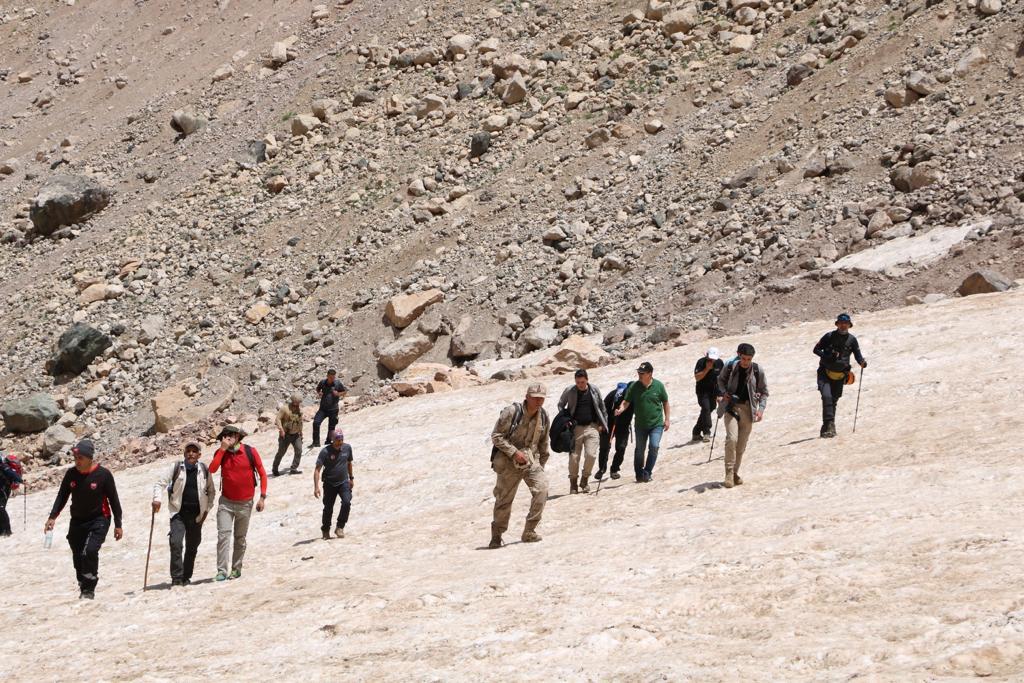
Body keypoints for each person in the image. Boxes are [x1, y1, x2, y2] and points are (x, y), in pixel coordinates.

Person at [44, 440, 123, 599]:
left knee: (90, 551)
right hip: (78, 521)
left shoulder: (104, 475)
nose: (77, 461)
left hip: (99, 519)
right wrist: (52, 517)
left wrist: (118, 524)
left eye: (80, 458)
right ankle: (82, 581)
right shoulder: (71, 474)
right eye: (75, 457)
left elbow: (114, 500)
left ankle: (89, 589)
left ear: (89, 457)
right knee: (78, 554)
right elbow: (62, 496)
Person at [489, 383, 550, 549]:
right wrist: (515, 453)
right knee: (504, 500)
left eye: (541, 399)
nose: (538, 402)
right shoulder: (512, 412)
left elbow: (544, 442)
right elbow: (497, 436)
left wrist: (540, 464)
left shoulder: (543, 416)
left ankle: (529, 530)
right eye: (535, 398)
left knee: (542, 490)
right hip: (508, 462)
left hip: (531, 461)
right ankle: (497, 535)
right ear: (527, 396)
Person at [152, 443, 216, 586]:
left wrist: (207, 510)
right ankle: (176, 578)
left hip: (197, 515)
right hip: (178, 513)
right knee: (175, 543)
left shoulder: (204, 470)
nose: (191, 454)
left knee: (192, 546)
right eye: (188, 451)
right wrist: (157, 499)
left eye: (194, 451)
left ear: (199, 455)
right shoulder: (176, 468)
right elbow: (160, 483)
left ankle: (186, 576)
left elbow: (211, 491)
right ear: (184, 453)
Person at [209, 425, 267, 581]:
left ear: (237, 436)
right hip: (226, 502)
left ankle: (236, 569)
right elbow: (212, 469)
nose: (227, 438)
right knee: (223, 536)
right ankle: (221, 571)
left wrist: (262, 497)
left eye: (230, 435)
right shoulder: (220, 453)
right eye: (225, 435)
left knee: (240, 538)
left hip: (245, 503)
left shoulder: (249, 451)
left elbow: (262, 473)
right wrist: (222, 450)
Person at [716, 343, 769, 489]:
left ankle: (734, 473)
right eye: (744, 358)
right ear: (739, 355)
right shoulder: (730, 367)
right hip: (730, 407)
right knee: (731, 439)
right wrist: (723, 393)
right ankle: (728, 473)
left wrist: (761, 410)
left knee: (741, 446)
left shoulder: (757, 370)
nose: (746, 362)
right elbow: (720, 381)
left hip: (748, 410)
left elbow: (764, 392)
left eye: (749, 359)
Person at [813, 313, 867, 438]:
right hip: (824, 372)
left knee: (833, 400)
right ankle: (830, 425)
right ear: (837, 324)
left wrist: (862, 363)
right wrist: (827, 356)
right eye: (841, 323)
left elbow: (858, 355)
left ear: (849, 325)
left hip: (840, 375)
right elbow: (816, 350)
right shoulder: (829, 336)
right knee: (827, 397)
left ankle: (827, 427)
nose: (843, 326)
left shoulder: (852, 340)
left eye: (846, 324)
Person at [616, 361, 670, 483]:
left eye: (642, 373)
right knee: (640, 450)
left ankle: (647, 472)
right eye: (639, 372)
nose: (639, 374)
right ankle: (639, 473)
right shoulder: (634, 387)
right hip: (640, 425)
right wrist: (620, 409)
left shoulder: (659, 386)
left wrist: (667, 419)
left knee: (654, 446)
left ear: (650, 374)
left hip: (656, 424)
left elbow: (665, 402)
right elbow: (626, 401)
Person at [556, 369, 608, 494]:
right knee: (574, 458)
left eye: (583, 382)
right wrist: (566, 419)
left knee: (591, 455)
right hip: (575, 429)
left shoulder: (594, 390)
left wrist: (602, 423)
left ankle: (585, 480)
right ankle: (573, 483)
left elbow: (601, 406)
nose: (580, 384)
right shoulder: (570, 390)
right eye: (578, 382)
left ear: (587, 380)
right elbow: (560, 405)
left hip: (592, 427)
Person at [313, 430, 354, 540]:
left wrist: (351, 478)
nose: (340, 442)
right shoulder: (325, 452)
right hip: (329, 483)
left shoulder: (347, 448)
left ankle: (340, 527)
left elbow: (349, 463)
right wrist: (316, 487)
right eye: (337, 440)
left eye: (341, 440)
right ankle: (325, 530)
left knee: (346, 502)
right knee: (328, 508)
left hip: (344, 482)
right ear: (333, 440)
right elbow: (317, 470)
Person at [596, 381, 633, 481]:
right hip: (609, 423)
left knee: (619, 447)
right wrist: (601, 424)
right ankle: (603, 469)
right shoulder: (614, 395)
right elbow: (602, 408)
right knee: (606, 447)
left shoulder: (635, 398)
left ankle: (612, 469)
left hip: (622, 425)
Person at [692, 347, 724, 443]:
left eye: (714, 359)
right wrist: (706, 369)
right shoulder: (701, 362)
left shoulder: (720, 363)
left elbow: (721, 379)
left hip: (713, 390)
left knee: (711, 408)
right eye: (710, 359)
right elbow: (697, 378)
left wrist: (720, 394)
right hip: (702, 391)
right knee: (706, 408)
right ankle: (707, 431)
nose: (712, 360)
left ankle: (696, 431)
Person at [311, 369, 347, 448]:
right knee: (316, 423)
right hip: (323, 409)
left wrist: (338, 394)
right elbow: (318, 389)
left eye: (333, 377)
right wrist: (319, 392)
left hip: (333, 409)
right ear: (327, 376)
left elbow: (344, 391)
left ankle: (328, 441)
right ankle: (316, 442)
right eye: (331, 377)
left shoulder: (337, 383)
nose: (332, 379)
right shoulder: (323, 382)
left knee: (331, 426)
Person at [273, 393, 305, 476]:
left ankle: (294, 468)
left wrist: (301, 432)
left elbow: (300, 422)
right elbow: (278, 419)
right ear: (293, 401)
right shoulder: (285, 409)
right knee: (281, 452)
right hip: (285, 435)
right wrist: (281, 429)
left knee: (299, 450)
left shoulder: (299, 410)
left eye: (299, 402)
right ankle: (275, 468)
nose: (298, 404)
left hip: (296, 435)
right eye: (296, 402)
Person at [1, 453, 23, 537]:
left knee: (1, 508)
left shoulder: (2, 465)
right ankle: (2, 531)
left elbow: (11, 473)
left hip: (4, 489)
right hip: (3, 488)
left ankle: (7, 530)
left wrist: (21, 480)